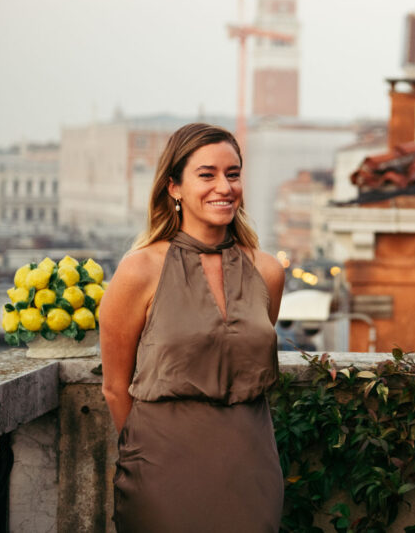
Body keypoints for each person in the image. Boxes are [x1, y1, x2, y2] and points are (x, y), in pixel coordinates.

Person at [100, 123, 286, 532]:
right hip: (160, 472)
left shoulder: (267, 271)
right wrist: (141, 456)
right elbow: (115, 386)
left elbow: (240, 356)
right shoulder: (139, 270)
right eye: (207, 175)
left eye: (233, 174)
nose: (224, 186)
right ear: (174, 187)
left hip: (252, 471)